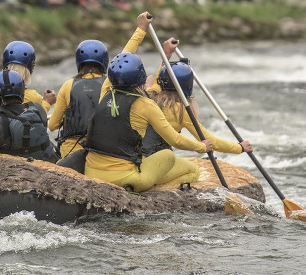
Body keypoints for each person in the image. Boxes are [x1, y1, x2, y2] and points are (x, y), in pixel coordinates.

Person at [82, 12, 212, 193]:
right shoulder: (145, 104)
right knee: (180, 163)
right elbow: (174, 139)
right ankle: (153, 194)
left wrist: (141, 29)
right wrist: (201, 147)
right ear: (141, 77)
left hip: (91, 172)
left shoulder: (105, 91)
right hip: (125, 179)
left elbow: (122, 58)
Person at [143, 59, 252, 184]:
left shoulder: (149, 96)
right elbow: (210, 141)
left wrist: (166, 58)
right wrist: (240, 148)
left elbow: (158, 81)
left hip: (136, 160)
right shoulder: (181, 110)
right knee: (194, 172)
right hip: (155, 165)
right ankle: (159, 186)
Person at [48, 39, 108, 158]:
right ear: (104, 61)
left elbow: (52, 125)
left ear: (79, 62)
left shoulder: (68, 85)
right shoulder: (109, 84)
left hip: (70, 154)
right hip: (101, 152)